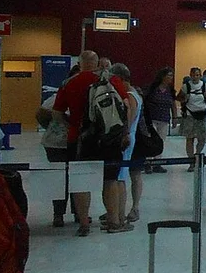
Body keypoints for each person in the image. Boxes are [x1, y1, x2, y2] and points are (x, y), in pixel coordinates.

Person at [51, 50, 130, 236]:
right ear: (97, 63)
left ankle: (84, 223)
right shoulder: (112, 80)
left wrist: (73, 123)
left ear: (79, 64)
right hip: (110, 139)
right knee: (110, 180)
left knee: (81, 181)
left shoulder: (69, 83)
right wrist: (124, 133)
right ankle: (114, 222)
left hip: (80, 139)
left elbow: (56, 113)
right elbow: (125, 107)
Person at [38, 65, 80, 227]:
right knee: (60, 179)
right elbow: (41, 113)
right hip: (56, 144)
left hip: (72, 142)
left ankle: (78, 212)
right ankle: (58, 214)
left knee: (78, 179)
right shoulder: (57, 96)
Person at [108, 63, 144, 228]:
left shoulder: (129, 96)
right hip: (130, 137)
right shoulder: (134, 94)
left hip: (126, 138)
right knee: (119, 176)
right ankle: (116, 213)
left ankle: (119, 215)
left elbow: (128, 121)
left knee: (120, 177)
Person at [143, 68, 178, 174]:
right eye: (169, 75)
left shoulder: (170, 90)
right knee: (150, 141)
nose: (170, 78)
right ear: (162, 76)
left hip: (164, 118)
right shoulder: (153, 88)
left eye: (172, 76)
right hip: (152, 118)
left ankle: (157, 163)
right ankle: (148, 163)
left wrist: (175, 117)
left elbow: (173, 104)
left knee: (160, 141)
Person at [178, 67, 206, 173]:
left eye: (198, 75)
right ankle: (191, 161)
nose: (196, 77)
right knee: (189, 139)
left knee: (202, 138)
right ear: (190, 75)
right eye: (194, 75)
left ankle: (197, 155)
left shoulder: (205, 86)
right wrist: (184, 98)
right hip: (190, 115)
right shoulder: (186, 86)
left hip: (202, 114)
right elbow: (179, 97)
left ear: (200, 76)